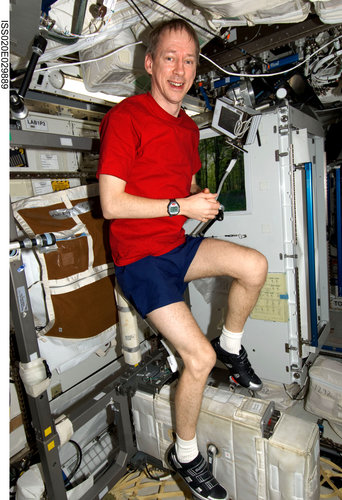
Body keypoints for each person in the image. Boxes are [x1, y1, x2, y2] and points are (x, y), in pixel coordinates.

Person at [97, 18, 268, 500]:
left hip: (175, 247)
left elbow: (181, 186)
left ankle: (233, 348)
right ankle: (185, 456)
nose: (180, 68)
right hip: (140, 260)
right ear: (150, 63)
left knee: (254, 265)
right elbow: (111, 204)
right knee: (198, 357)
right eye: (169, 57)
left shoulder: (188, 128)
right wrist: (182, 207)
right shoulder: (125, 118)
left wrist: (198, 196)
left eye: (189, 60)